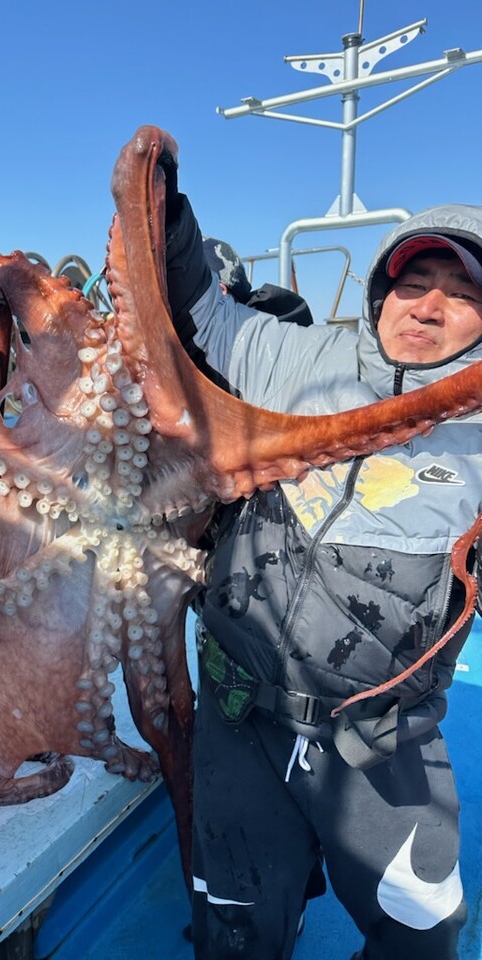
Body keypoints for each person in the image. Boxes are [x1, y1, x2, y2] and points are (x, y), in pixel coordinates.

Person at [165, 175, 482, 959]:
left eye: (461, 294)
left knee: (424, 934)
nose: (428, 307)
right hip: (240, 716)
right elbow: (204, 313)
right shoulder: (303, 358)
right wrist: (164, 205)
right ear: (381, 293)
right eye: (413, 283)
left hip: (378, 738)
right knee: (234, 928)